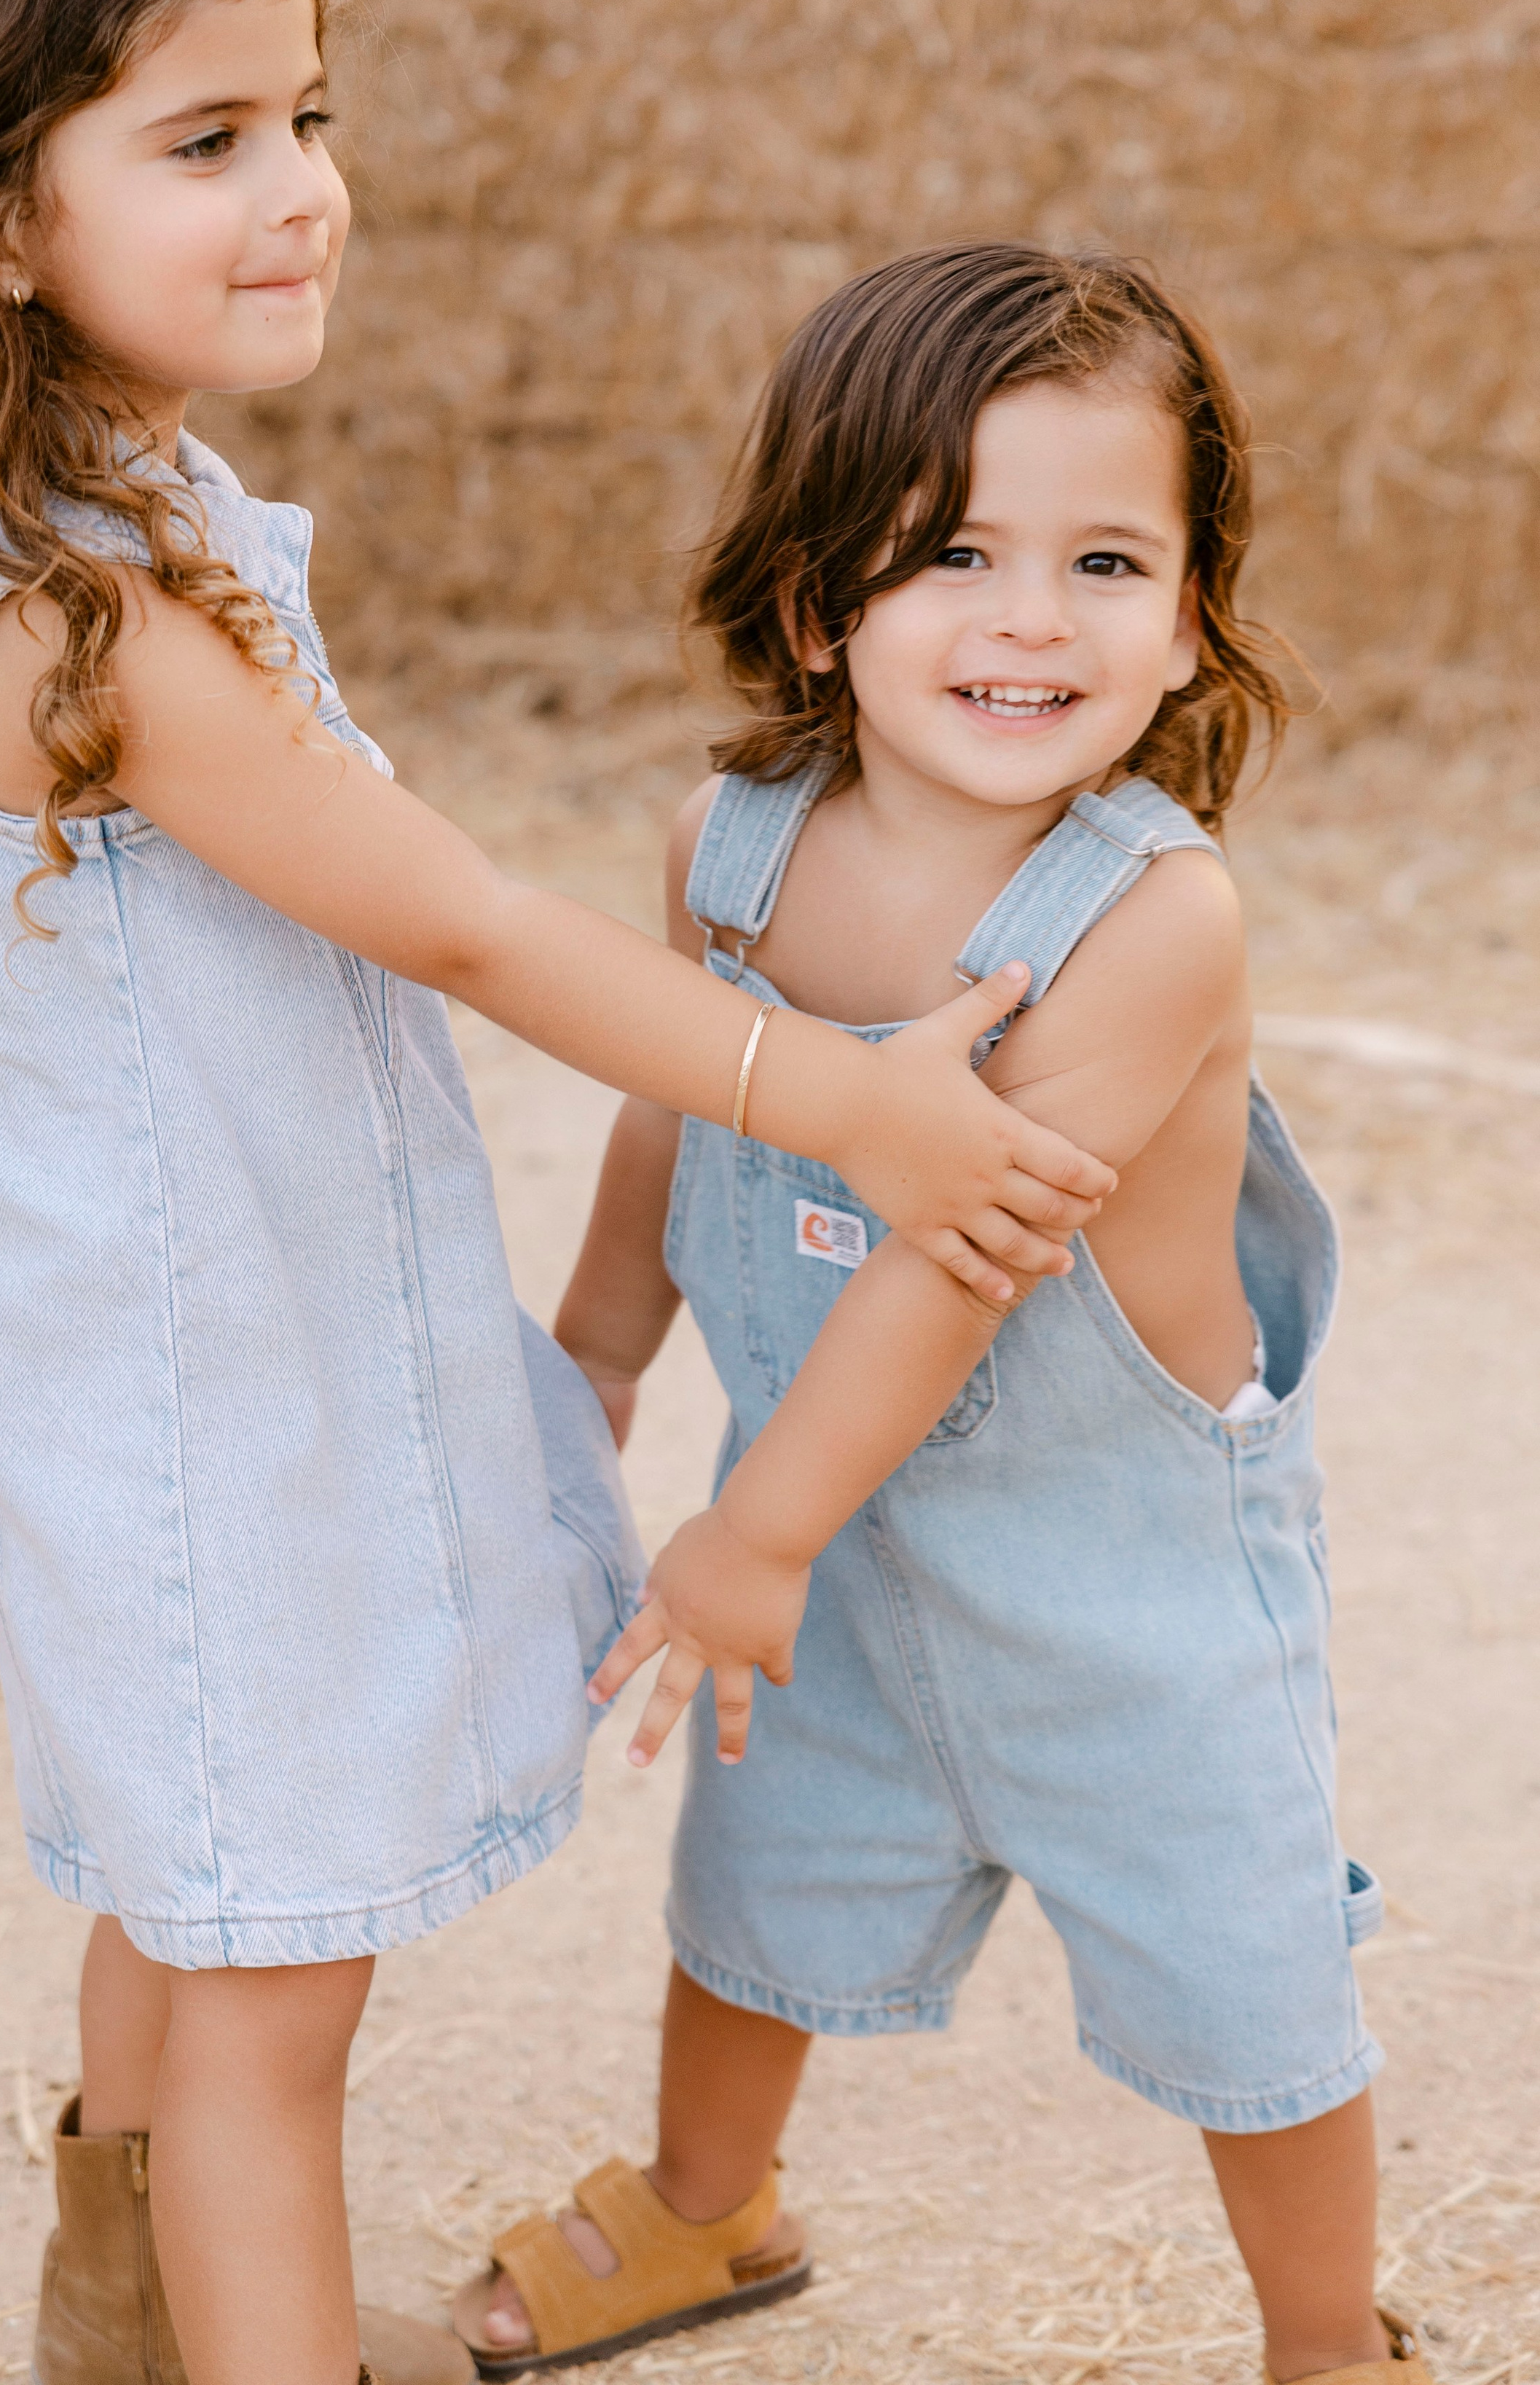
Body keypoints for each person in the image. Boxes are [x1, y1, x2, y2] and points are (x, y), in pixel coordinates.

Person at [0, 0, 1115, 2385]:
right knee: (275, 2001)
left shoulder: (76, 520)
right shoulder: (90, 617)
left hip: (185, 1388)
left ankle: (118, 2325)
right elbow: (461, 920)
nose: (303, 194)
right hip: (203, 1425)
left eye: (313, 119)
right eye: (209, 140)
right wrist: (848, 1102)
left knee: (190, 1892)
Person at [460, 244, 1431, 2385]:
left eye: (1105, 559)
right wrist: (606, 1337)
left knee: (1251, 1973)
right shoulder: (734, 847)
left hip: (1128, 1590)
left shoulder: (1153, 920)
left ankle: (1327, 2338)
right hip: (847, 1557)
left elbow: (961, 1253)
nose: (1030, 618)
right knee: (758, 1887)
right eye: (954, 555)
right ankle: (709, 2209)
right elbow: (683, 1093)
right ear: (820, 605)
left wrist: (757, 1533)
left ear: (1186, 616)